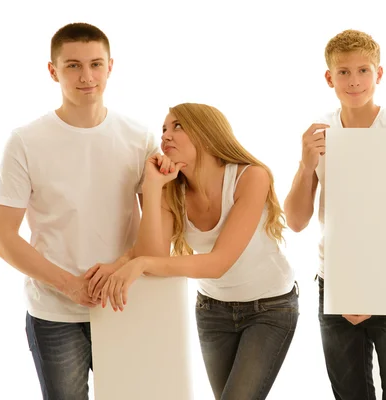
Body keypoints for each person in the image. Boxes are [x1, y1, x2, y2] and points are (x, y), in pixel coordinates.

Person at [0, 22, 159, 399]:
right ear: (53, 71)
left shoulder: (140, 137)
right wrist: (70, 285)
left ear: (111, 67)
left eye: (96, 64)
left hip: (126, 305)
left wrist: (120, 268)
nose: (87, 76)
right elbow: (1, 236)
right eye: (73, 66)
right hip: (54, 312)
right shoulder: (25, 141)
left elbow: (158, 233)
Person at [86, 102, 299, 400]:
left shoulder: (251, 177)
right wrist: (152, 188)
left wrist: (137, 262)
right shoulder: (172, 190)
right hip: (213, 310)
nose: (165, 136)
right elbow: (154, 256)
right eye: (163, 129)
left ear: (207, 133)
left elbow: (218, 263)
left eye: (177, 127)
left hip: (270, 308)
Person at [283, 29, 386, 400]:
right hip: (336, 281)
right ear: (329, 78)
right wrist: (305, 163)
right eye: (343, 72)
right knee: (350, 394)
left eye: (363, 70)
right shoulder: (319, 133)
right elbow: (296, 221)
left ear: (379, 74)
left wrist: (376, 290)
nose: (354, 80)